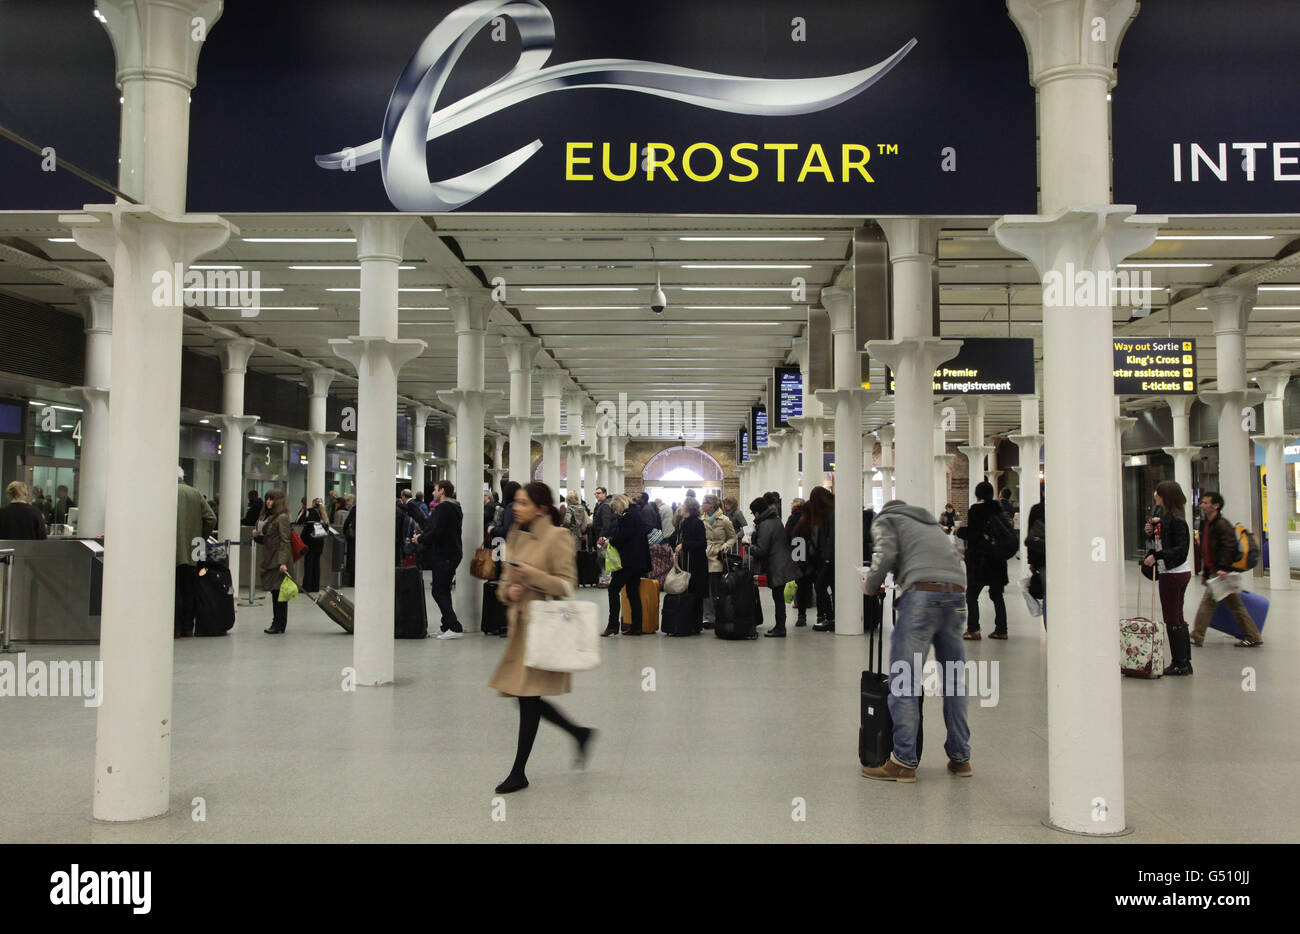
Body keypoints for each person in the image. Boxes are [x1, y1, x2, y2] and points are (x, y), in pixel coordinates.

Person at [489, 481, 595, 794]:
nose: (516, 508)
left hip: (542, 628)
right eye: (516, 503)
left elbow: (567, 585)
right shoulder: (514, 535)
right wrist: (511, 589)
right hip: (520, 626)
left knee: (527, 697)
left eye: (523, 503)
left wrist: (530, 577)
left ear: (541, 507)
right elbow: (504, 584)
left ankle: (519, 771)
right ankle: (578, 733)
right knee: (526, 697)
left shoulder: (558, 537)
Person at [860, 499, 972, 782]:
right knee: (954, 681)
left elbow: (883, 556)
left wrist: (870, 585)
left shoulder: (887, 520)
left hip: (921, 596)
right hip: (957, 595)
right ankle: (961, 758)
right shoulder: (931, 524)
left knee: (904, 680)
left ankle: (904, 761)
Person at [1190, 491, 1263, 648]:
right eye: (1201, 502)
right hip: (1216, 571)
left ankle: (1197, 635)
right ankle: (1252, 635)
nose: (1202, 505)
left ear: (1216, 505)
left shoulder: (1222, 524)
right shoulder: (1209, 523)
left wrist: (1222, 568)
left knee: (1210, 604)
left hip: (1222, 573)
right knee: (1234, 605)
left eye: (1206, 503)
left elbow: (1228, 547)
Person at [1143, 481, 1192, 674]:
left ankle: (1180, 663)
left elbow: (1180, 549)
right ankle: (1184, 661)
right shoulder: (1167, 517)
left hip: (1173, 574)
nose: (1155, 495)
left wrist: (1157, 556)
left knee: (1172, 618)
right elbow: (1162, 540)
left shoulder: (1177, 520)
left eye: (1158, 493)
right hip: (1175, 572)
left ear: (1165, 496)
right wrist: (1153, 528)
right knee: (1177, 616)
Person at [959, 481, 1009, 640]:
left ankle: (973, 629)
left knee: (972, 595)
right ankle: (1001, 630)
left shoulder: (976, 510)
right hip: (997, 559)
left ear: (977, 494)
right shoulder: (999, 509)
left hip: (980, 560)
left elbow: (974, 534)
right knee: (997, 595)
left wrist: (959, 531)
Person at [175, 467, 219, 638]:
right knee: (189, 589)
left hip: (172, 550)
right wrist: (200, 537)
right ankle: (187, 627)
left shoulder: (167, 493)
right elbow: (211, 518)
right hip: (194, 549)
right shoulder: (195, 493)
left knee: (174, 590)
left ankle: (175, 627)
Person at [419, 479, 464, 639]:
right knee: (443, 590)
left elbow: (436, 531)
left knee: (438, 591)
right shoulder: (455, 507)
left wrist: (421, 539)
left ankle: (454, 626)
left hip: (445, 554)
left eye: (435, 489)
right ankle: (447, 626)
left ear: (442, 491)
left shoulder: (444, 508)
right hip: (452, 553)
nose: (433, 492)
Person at [748, 495, 799, 638]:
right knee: (778, 597)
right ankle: (779, 626)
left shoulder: (765, 525)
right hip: (781, 561)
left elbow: (762, 549)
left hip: (776, 564)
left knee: (778, 598)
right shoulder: (775, 520)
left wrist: (749, 547)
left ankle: (780, 628)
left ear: (757, 512)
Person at [604, 494, 650, 637]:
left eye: (615, 508)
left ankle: (613, 625)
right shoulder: (636, 513)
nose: (615, 511)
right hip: (638, 561)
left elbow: (623, 537)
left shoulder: (628, 516)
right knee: (632, 592)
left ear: (620, 504)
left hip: (629, 561)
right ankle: (636, 626)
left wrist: (609, 542)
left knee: (613, 589)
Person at [666, 497, 709, 634]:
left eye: (683, 506)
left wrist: (684, 545)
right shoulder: (684, 523)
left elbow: (702, 544)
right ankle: (688, 622)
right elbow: (675, 538)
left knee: (695, 593)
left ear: (688, 509)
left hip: (696, 564)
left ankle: (695, 624)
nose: (681, 508)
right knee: (689, 592)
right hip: (688, 563)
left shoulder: (697, 523)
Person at [796, 486, 836, 631]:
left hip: (820, 560)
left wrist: (799, 561)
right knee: (824, 586)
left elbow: (828, 539)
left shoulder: (828, 515)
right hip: (820, 560)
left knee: (817, 586)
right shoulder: (826, 515)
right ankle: (826, 616)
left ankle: (829, 618)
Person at [253, 489, 292, 634]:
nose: (268, 502)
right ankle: (277, 622)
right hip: (271, 559)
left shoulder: (281, 518)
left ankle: (279, 624)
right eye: (267, 499)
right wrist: (257, 536)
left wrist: (282, 562)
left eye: (271, 499)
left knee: (279, 593)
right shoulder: (270, 518)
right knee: (276, 593)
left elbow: (284, 541)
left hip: (278, 561)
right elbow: (269, 540)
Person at [700, 494, 737, 628]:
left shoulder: (724, 520)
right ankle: (708, 617)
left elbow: (733, 537)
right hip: (704, 555)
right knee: (706, 589)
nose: (702, 504)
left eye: (705, 502)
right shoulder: (701, 519)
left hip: (718, 556)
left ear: (712, 505)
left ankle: (719, 615)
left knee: (716, 588)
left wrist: (726, 545)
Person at [298, 497, 329, 593]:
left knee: (309, 564)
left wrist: (303, 511)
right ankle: (315, 586)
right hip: (319, 543)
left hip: (311, 542)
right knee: (316, 565)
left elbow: (304, 525)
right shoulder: (323, 514)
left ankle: (307, 586)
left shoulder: (312, 513)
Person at [1024, 497, 1046, 627]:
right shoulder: (1067, 506)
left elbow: (1030, 538)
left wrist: (1031, 561)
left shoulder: (1037, 509)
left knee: (1046, 594)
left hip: (1042, 558)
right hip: (1064, 558)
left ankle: (1050, 630)